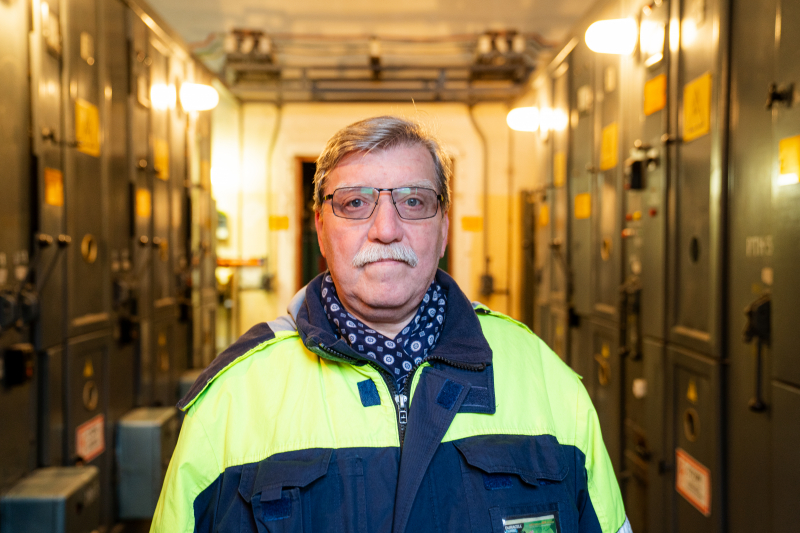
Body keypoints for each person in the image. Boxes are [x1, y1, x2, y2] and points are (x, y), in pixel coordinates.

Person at [151, 116, 630, 533]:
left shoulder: (545, 377)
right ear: (321, 227)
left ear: (444, 228)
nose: (385, 229)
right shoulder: (233, 397)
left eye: (414, 201)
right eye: (355, 203)